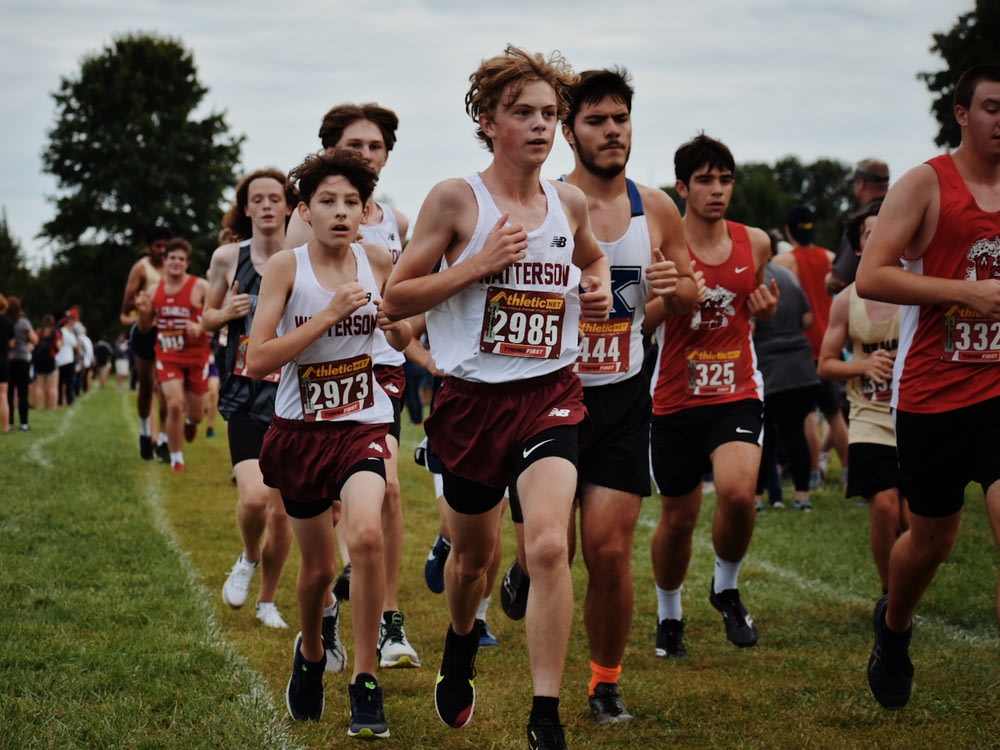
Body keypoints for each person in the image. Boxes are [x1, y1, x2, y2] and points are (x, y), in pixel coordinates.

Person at [382, 44, 612, 750]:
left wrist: (598, 283)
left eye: (550, 114)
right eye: (523, 113)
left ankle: (546, 714)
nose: (541, 127)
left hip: (550, 393)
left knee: (547, 545)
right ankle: (459, 643)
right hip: (471, 400)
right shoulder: (458, 199)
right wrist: (477, 265)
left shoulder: (567, 201)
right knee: (471, 560)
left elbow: (591, 255)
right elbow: (396, 297)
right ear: (488, 121)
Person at [247, 149, 410, 738]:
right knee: (316, 571)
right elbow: (258, 358)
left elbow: (404, 324)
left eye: (351, 203)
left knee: (365, 535)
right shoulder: (287, 269)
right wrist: (326, 317)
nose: (341, 213)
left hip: (362, 422)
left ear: (366, 212)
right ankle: (313, 652)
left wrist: (399, 325)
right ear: (304, 211)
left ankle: (365, 681)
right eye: (327, 202)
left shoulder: (379, 259)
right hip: (300, 433)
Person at [855, 63, 1000, 710]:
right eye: (993, 107)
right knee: (931, 540)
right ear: (962, 113)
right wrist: (965, 292)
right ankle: (895, 626)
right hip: (933, 395)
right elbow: (872, 277)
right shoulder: (924, 183)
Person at [559, 67, 698, 724]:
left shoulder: (658, 207)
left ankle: (604, 682)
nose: (612, 132)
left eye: (620, 119)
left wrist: (671, 287)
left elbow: (689, 293)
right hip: (549, 398)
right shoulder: (547, 203)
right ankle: (523, 577)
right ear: (569, 132)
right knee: (548, 552)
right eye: (596, 121)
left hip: (620, 397)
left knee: (608, 551)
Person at [288, 102, 420, 669]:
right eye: (354, 145)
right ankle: (326, 613)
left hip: (378, 372)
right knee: (330, 514)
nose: (365, 154)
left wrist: (416, 341)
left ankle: (388, 620)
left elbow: (407, 301)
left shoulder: (397, 220)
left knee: (386, 489)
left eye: (375, 147)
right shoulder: (311, 215)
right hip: (314, 378)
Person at [647, 133, 779, 659]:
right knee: (678, 518)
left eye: (724, 179)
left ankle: (725, 586)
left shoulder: (757, 242)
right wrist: (678, 300)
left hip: (736, 389)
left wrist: (764, 312)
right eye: (704, 180)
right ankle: (669, 614)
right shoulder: (661, 243)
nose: (717, 190)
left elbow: (754, 304)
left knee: (738, 493)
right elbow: (641, 322)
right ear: (682, 187)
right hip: (676, 395)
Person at [203, 168, 297, 631]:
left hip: (290, 396)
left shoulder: (302, 256)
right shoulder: (227, 256)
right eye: (256, 199)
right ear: (245, 208)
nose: (265, 206)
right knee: (256, 498)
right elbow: (204, 319)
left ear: (287, 205)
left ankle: (267, 600)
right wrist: (226, 313)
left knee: (283, 513)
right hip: (243, 391)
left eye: (273, 198)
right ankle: (247, 555)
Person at [818, 201, 908, 593]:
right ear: (857, 247)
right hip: (869, 417)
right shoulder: (846, 301)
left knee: (913, 518)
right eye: (870, 235)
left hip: (914, 414)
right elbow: (825, 364)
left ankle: (907, 585)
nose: (879, 240)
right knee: (885, 506)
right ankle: (890, 596)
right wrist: (863, 366)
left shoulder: (916, 291)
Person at [774, 204, 848, 489]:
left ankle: (814, 472)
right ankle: (848, 473)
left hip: (801, 350)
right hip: (830, 344)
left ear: (789, 230)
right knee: (834, 414)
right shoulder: (831, 258)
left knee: (805, 415)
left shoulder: (783, 262)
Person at [753, 242, 818, 511]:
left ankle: (757, 498)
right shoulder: (788, 276)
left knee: (763, 436)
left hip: (770, 366)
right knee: (795, 433)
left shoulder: (753, 280)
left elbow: (752, 327)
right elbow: (808, 320)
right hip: (801, 367)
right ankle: (802, 496)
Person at [136, 238, 211, 472]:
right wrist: (142, 312)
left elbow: (214, 317)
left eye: (181, 258)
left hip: (196, 355)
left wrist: (200, 328)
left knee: (197, 413)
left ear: (187, 263)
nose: (176, 262)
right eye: (172, 258)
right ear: (165, 261)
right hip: (168, 355)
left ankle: (191, 423)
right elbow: (145, 328)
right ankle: (176, 457)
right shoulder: (153, 290)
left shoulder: (201, 287)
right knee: (175, 404)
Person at [120, 226, 172, 459]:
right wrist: (142, 315)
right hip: (145, 334)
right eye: (157, 246)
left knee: (168, 390)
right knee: (146, 388)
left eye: (164, 246)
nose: (161, 250)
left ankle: (163, 440)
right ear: (149, 247)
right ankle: (144, 432)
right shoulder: (141, 269)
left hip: (170, 335)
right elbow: (124, 312)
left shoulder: (175, 267)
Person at [827, 158, 890, 294]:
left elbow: (840, 280)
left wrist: (828, 280)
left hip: (867, 305)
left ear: (861, 184)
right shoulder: (903, 214)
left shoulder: (861, 221)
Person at [6, 297, 37, 431]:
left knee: (9, 393)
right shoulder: (23, 322)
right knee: (23, 393)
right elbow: (34, 339)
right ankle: (24, 423)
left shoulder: (5, 322)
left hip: (8, 360)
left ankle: (10, 422)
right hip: (22, 360)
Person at [31, 314, 60, 410]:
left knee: (40, 386)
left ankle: (40, 406)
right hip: (50, 360)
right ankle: (53, 407)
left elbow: (33, 344)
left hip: (39, 361)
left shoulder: (39, 332)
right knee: (53, 387)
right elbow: (59, 347)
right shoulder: (55, 333)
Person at [54, 311, 80, 406]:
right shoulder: (66, 331)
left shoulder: (61, 331)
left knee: (62, 383)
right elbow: (75, 345)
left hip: (62, 359)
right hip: (66, 359)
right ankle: (68, 400)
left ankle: (61, 400)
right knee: (68, 382)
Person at [0, 295, 14, 433]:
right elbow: (11, 343)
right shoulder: (8, 322)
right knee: (3, 396)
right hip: (3, 361)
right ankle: (5, 427)